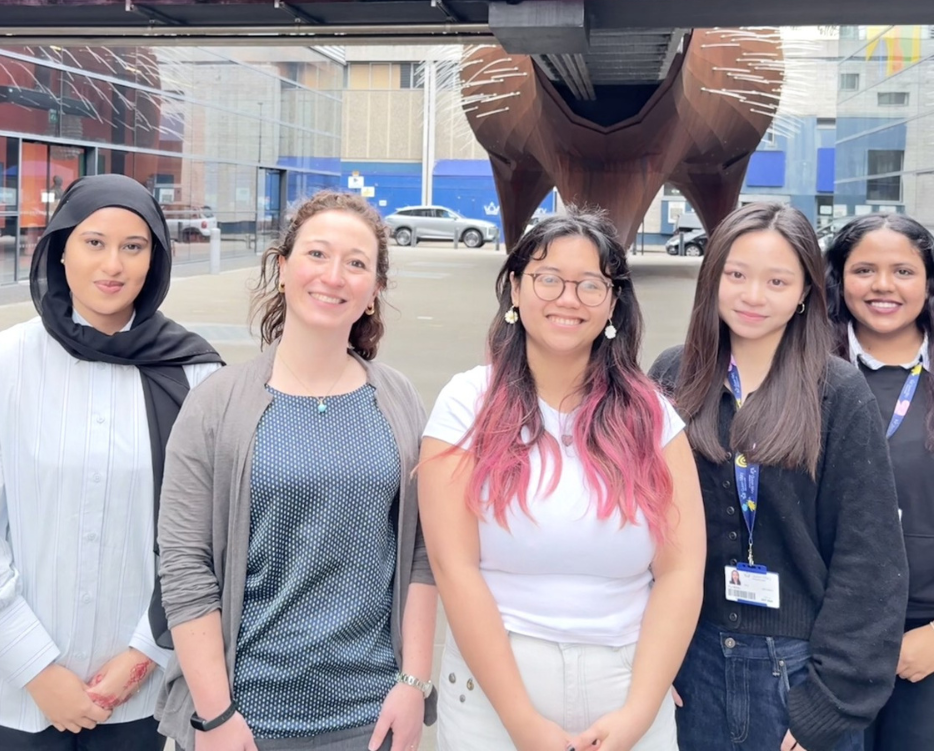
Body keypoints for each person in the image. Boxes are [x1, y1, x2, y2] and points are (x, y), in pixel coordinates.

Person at [0, 174, 223, 750]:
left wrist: (145, 655)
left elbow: (207, 538)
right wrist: (38, 671)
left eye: (133, 246)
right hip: (8, 690)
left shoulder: (196, 376)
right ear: (60, 249)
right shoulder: (0, 367)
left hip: (140, 693)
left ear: (155, 260)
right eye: (93, 242)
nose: (112, 265)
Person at [156, 190, 438, 751]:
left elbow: (422, 554)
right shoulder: (217, 403)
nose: (333, 276)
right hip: (244, 720)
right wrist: (215, 716)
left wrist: (413, 684)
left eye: (356, 263)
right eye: (317, 254)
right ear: (282, 267)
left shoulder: (399, 399)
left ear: (374, 290)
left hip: (370, 718)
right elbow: (185, 567)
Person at [418, 208, 705, 751]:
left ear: (613, 303)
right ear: (516, 289)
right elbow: (454, 569)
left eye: (590, 285)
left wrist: (640, 711)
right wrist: (521, 721)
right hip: (492, 695)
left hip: (626, 685)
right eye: (548, 279)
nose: (567, 299)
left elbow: (681, 571)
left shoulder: (652, 415)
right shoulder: (465, 404)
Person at [649, 202, 908, 751]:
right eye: (736, 275)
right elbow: (641, 523)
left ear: (805, 292)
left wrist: (829, 704)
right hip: (689, 659)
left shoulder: (837, 392)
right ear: (712, 277)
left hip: (798, 669)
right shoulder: (673, 375)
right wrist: (648, 654)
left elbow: (870, 557)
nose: (753, 296)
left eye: (776, 281)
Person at [823, 213, 934, 749]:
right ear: (839, 279)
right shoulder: (802, 370)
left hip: (925, 639)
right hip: (826, 638)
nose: (883, 286)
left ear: (928, 282)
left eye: (903, 271)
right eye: (864, 270)